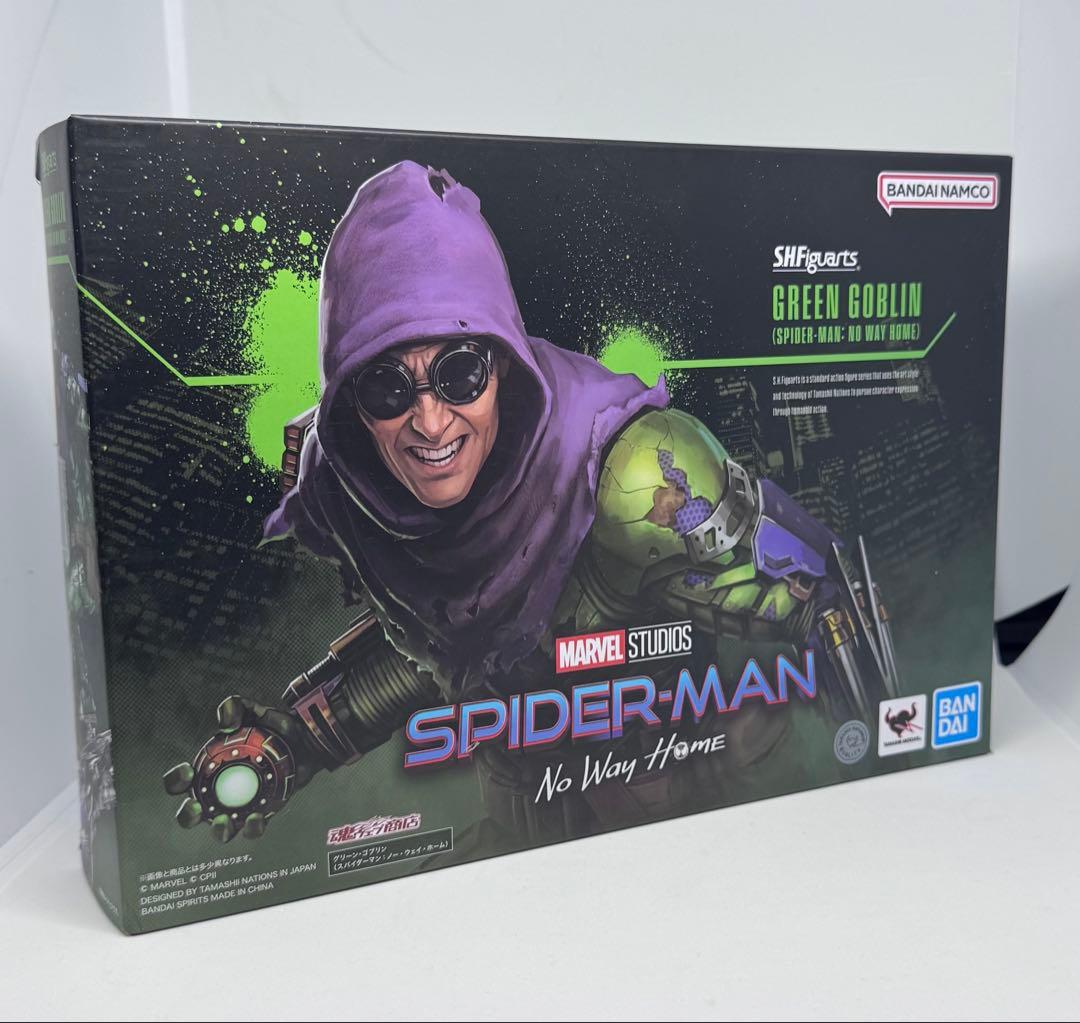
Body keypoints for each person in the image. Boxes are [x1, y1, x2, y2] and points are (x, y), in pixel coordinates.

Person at [165, 161, 894, 844]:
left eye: (459, 373)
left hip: (703, 809)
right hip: (530, 835)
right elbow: (438, 640)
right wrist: (293, 740)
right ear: (349, 399)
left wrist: (880, 784)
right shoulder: (346, 487)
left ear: (503, 367)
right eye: (387, 387)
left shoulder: (635, 471)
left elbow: (830, 607)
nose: (430, 423)